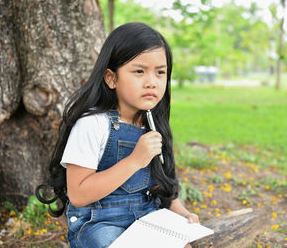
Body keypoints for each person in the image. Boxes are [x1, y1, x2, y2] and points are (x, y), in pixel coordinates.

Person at [36, 22, 198, 248]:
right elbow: (79, 194)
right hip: (98, 224)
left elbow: (161, 186)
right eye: (139, 71)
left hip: (145, 218)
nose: (152, 81)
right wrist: (134, 161)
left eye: (160, 72)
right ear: (111, 78)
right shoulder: (93, 124)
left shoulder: (153, 125)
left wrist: (182, 214)